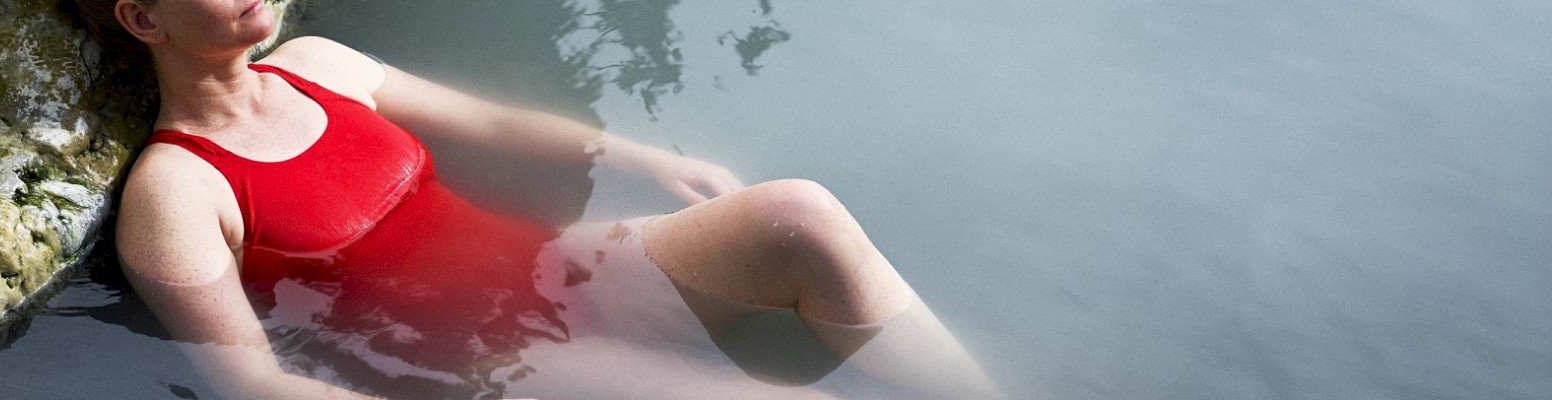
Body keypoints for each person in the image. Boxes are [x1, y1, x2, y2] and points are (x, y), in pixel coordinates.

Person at [76, 0, 1003, 398]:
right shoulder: (176, 190)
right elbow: (246, 380)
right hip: (499, 354)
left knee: (800, 213)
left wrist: (639, 155)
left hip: (557, 268)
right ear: (142, 18)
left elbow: (493, 122)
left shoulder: (317, 66)